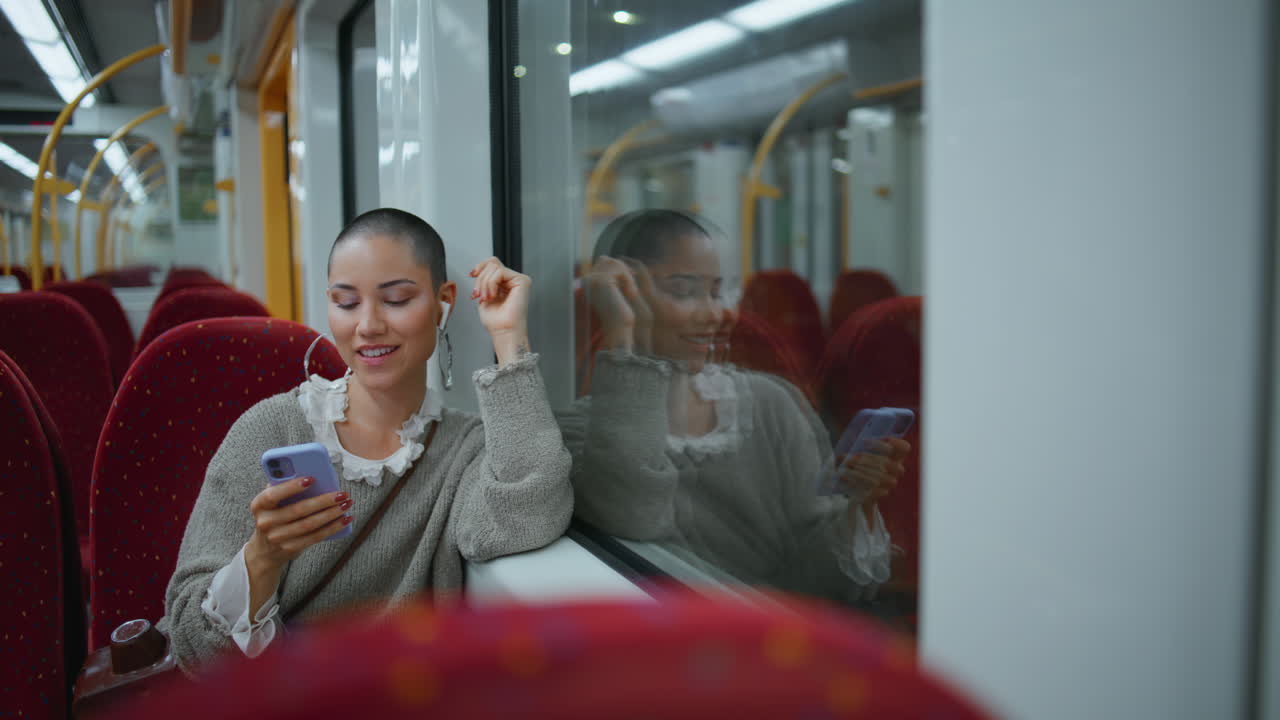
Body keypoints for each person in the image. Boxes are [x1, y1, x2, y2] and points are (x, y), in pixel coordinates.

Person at [162, 208, 572, 673]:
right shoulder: (270, 430)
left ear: (444, 302)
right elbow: (192, 644)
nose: (368, 325)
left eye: (396, 299)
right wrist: (262, 558)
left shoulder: (465, 448)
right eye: (346, 302)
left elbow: (530, 513)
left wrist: (508, 336)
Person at [561, 209, 909, 606]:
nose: (715, 314)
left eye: (715, 292)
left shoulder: (770, 404)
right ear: (623, 295)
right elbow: (629, 516)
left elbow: (818, 584)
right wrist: (623, 335)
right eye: (683, 291)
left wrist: (857, 504)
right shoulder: (583, 432)